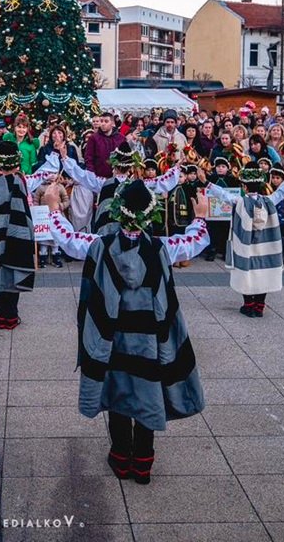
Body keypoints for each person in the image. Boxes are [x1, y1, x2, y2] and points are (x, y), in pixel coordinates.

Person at [45, 179, 211, 485]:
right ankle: (144, 462)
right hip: (148, 339)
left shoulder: (100, 245)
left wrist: (54, 208)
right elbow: (195, 241)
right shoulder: (161, 247)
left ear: (118, 213)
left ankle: (121, 457)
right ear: (149, 216)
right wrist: (200, 216)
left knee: (118, 391)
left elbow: (68, 239)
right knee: (147, 392)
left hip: (113, 338)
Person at [209, 167, 284, 317]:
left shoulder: (240, 202)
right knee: (264, 274)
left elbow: (223, 195)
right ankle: (259, 306)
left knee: (246, 272)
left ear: (244, 186)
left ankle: (248, 305)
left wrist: (207, 184)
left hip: (247, 246)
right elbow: (280, 193)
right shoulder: (268, 201)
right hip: (265, 247)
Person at [0, 140, 36, 330]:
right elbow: (24, 211)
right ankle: (10, 318)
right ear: (16, 161)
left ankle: (0, 316)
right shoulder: (18, 183)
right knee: (12, 275)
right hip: (16, 235)